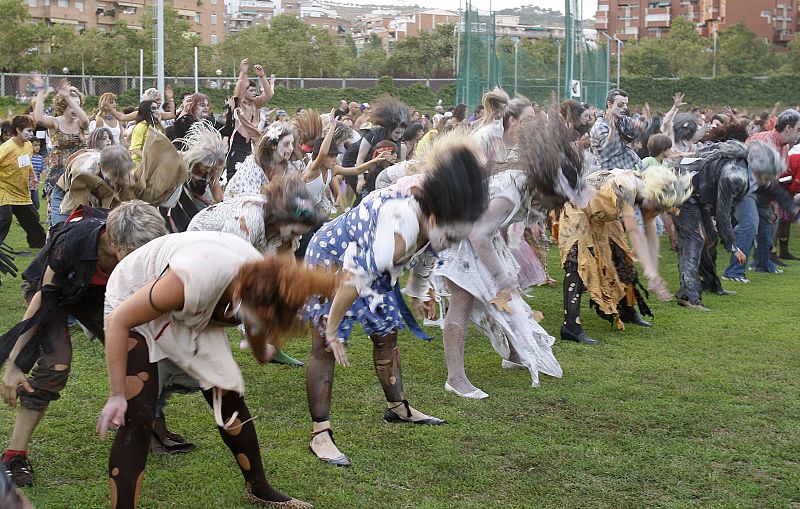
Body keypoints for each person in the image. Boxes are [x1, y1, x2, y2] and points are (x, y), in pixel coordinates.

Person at [97, 232, 334, 508]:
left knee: (229, 396)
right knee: (137, 414)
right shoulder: (193, 279)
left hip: (195, 309)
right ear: (237, 293)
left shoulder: (266, 285)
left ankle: (259, 488)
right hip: (132, 300)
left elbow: (257, 324)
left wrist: (262, 350)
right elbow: (118, 321)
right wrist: (116, 395)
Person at [303, 131, 489, 467]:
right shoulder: (399, 227)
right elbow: (352, 279)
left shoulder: (438, 221)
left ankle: (397, 408)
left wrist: (417, 292)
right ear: (434, 217)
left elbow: (430, 255)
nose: (452, 240)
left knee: (387, 335)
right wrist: (331, 329)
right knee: (325, 347)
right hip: (332, 260)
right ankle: (321, 433)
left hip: (370, 268)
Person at [1, 201, 167, 487]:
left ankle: (146, 426)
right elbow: (45, 297)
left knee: (138, 351)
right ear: (112, 240)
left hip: (97, 296)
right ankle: (14, 456)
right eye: (133, 255)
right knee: (56, 365)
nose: (140, 262)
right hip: (53, 293)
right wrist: (15, 362)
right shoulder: (74, 241)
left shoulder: (139, 241)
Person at [437, 107, 590, 399]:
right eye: (554, 200)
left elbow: (495, 228)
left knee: (507, 298)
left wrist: (505, 269)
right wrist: (500, 274)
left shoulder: (523, 187)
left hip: (480, 237)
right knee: (463, 301)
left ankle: (513, 354)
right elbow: (476, 232)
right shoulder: (511, 192)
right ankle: (455, 378)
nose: (552, 208)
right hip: (460, 238)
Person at [558, 166, 692, 344]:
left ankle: (626, 309)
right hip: (577, 209)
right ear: (652, 195)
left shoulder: (650, 197)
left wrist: (653, 272)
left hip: (602, 216)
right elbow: (634, 232)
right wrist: (651, 273)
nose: (658, 211)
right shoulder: (626, 188)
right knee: (579, 262)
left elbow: (651, 233)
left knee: (622, 258)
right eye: (659, 206)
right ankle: (570, 326)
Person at [674, 140, 784, 310]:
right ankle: (688, 295)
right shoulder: (735, 176)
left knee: (710, 238)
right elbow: (723, 213)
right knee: (693, 241)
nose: (771, 180)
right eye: (771, 175)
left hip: (696, 192)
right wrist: (733, 246)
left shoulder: (745, 169)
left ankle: (710, 284)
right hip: (682, 189)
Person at [31, 76, 89, 226]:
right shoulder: (55, 122)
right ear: (63, 106)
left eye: (78, 105)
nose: (75, 109)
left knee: (79, 217)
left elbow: (85, 120)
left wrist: (69, 97)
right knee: (57, 220)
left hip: (78, 177)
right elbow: (38, 118)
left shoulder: (81, 124)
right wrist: (40, 91)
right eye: (71, 105)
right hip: (57, 177)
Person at [0, 115, 46, 251]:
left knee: (32, 218)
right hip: (4, 189)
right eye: (28, 131)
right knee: (4, 218)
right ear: (18, 130)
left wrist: (33, 177)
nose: (31, 134)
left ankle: (39, 244)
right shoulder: (6, 148)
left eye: (32, 131)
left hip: (20, 191)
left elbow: (27, 163)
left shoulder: (28, 146)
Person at [225, 58, 276, 182]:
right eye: (251, 90)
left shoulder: (255, 104)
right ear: (244, 92)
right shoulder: (238, 103)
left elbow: (269, 95)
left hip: (250, 147)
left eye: (255, 90)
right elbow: (238, 91)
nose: (255, 93)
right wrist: (242, 73)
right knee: (235, 180)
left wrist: (262, 76)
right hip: (237, 146)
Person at [224, 122, 295, 200]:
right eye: (286, 144)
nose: (291, 148)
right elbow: (252, 199)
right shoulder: (254, 164)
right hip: (239, 204)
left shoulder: (288, 166)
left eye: (292, 143)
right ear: (273, 145)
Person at [590, 88, 645, 171]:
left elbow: (633, 133)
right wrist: (612, 130)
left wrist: (638, 126)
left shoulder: (622, 119)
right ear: (609, 104)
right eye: (620, 104)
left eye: (626, 104)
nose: (625, 107)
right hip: (614, 175)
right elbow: (607, 151)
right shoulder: (599, 126)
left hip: (633, 168)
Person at [128, 100, 162, 165]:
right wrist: (148, 158)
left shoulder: (157, 126)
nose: (157, 110)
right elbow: (135, 148)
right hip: (140, 165)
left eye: (157, 108)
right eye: (154, 108)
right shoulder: (141, 126)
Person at [29, 137, 46, 210]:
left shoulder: (40, 158)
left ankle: (34, 219)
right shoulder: (27, 157)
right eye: (35, 145)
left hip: (35, 186)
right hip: (25, 186)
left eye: (38, 145)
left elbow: (43, 170)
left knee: (36, 204)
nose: (38, 147)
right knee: (26, 205)